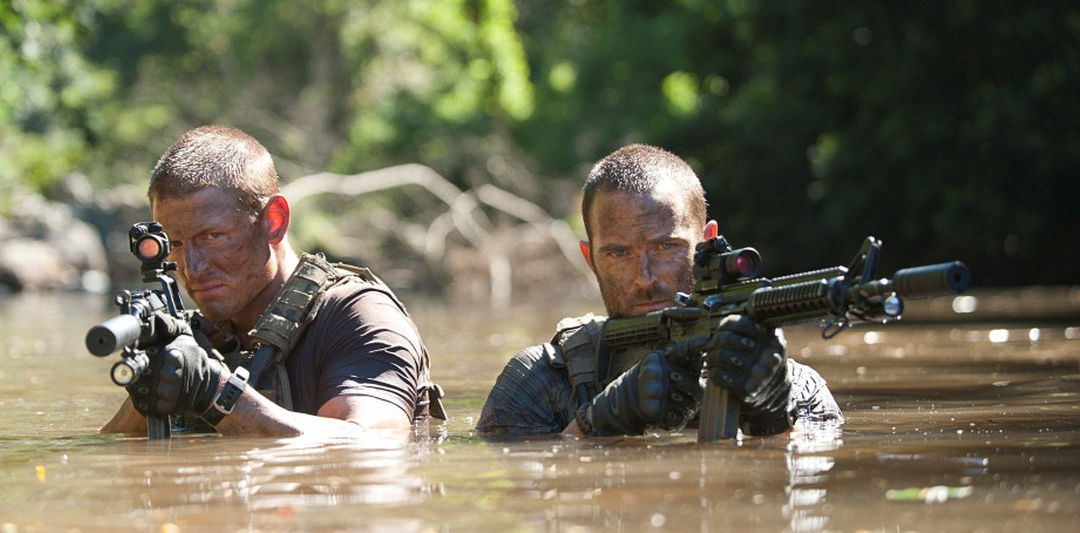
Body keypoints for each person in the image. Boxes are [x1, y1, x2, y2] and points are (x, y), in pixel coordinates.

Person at [101, 125, 445, 437]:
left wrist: (214, 392)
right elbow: (108, 453)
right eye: (175, 244)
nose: (191, 267)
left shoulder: (358, 316)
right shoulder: (201, 337)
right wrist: (150, 393)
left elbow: (374, 442)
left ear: (274, 221)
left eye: (213, 236)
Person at [476, 143, 841, 438]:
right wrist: (597, 422)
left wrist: (774, 416)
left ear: (707, 241)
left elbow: (809, 500)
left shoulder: (797, 385)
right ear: (591, 259)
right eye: (619, 253)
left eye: (666, 247)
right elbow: (520, 489)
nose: (644, 278)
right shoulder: (540, 379)